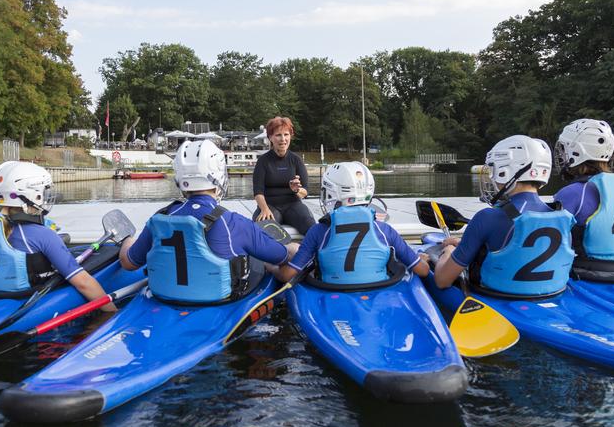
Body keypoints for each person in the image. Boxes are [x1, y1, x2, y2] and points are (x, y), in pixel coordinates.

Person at [121, 139, 295, 304]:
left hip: (165, 296)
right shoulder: (233, 222)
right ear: (219, 174)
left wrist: (128, 241)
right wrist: (287, 253)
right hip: (218, 301)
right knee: (266, 256)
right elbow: (282, 256)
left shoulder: (159, 219)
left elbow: (128, 263)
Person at [0, 161, 116, 310]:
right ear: (33, 196)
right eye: (44, 191)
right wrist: (112, 312)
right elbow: (83, 283)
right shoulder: (44, 235)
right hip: (25, 301)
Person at [433, 135, 575, 297]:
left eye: (494, 169)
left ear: (506, 171)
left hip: (495, 297)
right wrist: (464, 243)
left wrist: (448, 252)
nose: (492, 177)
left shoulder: (487, 217)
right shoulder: (562, 218)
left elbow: (442, 280)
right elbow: (526, 248)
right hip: (550, 295)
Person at [275, 161, 430, 285]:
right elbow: (422, 271)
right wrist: (422, 259)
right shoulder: (384, 230)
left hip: (331, 291)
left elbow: (288, 275)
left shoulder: (318, 231)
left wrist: (274, 268)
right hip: (378, 290)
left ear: (331, 192)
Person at [553, 119, 614, 281]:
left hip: (589, 271)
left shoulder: (573, 192)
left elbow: (551, 241)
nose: (562, 155)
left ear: (576, 152)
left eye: (565, 149)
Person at [252, 116, 316, 235]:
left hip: (293, 204)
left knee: (312, 228)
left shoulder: (296, 160)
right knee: (264, 231)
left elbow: (305, 191)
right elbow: (258, 192)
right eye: (278, 135)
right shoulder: (263, 161)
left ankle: (308, 253)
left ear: (290, 136)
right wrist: (264, 209)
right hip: (270, 205)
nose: (283, 139)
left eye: (286, 134)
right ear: (270, 137)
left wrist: (297, 190)